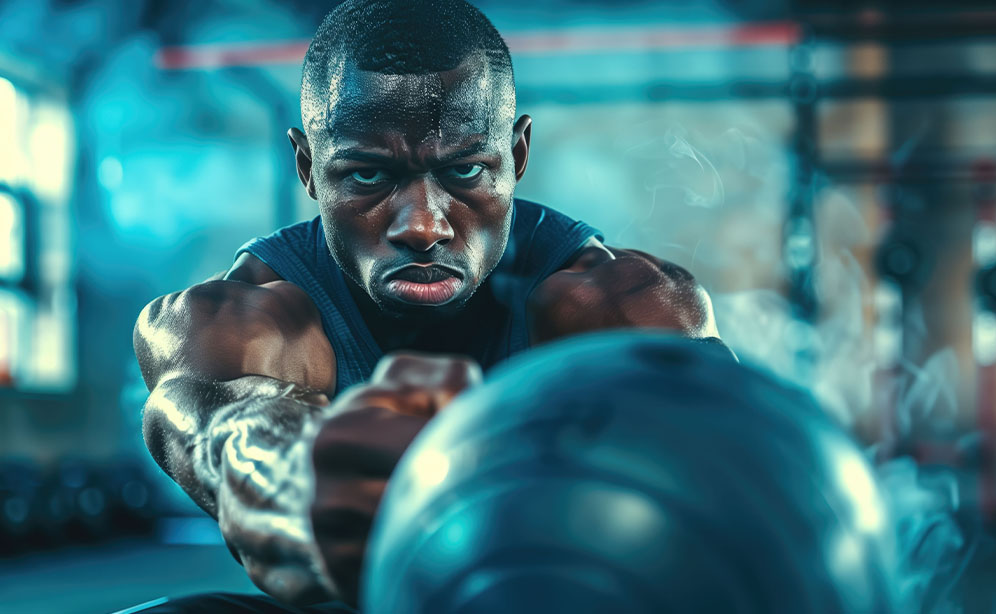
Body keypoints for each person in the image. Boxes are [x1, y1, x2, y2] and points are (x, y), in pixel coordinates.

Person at [133, 0, 717, 611]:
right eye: (366, 176)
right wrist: (294, 475)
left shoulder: (619, 306)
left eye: (465, 170)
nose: (422, 226)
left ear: (516, 156)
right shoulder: (244, 316)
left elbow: (722, 465)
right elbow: (217, 422)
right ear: (308, 167)